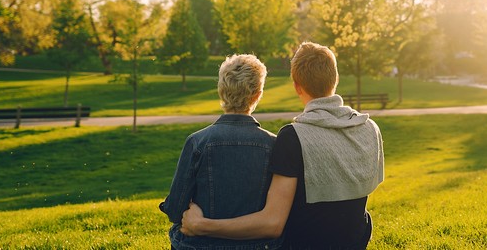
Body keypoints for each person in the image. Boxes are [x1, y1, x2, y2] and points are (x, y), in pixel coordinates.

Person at [182, 42, 384, 250]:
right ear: (335, 79)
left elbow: (272, 224)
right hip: (355, 242)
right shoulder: (369, 127)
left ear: (297, 86)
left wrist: (202, 225)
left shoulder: (294, 137)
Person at [161, 54, 278, 250]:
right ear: (258, 95)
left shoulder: (198, 142)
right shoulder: (273, 145)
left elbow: (175, 210)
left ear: (221, 91)